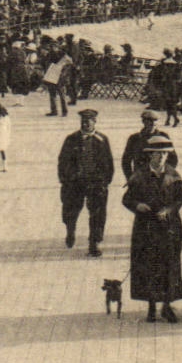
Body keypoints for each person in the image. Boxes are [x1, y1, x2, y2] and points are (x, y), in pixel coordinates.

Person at [124, 132, 182, 323]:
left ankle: (167, 306)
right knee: (148, 266)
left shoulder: (173, 175)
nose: (161, 158)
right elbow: (127, 199)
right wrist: (137, 206)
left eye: (165, 155)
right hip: (146, 228)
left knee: (169, 266)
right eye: (157, 154)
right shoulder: (139, 175)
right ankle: (151, 307)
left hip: (169, 227)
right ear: (150, 155)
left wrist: (168, 209)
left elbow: (180, 198)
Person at [57, 108, 115, 257]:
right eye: (83, 122)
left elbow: (108, 162)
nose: (86, 124)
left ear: (95, 122)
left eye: (89, 122)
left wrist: (105, 181)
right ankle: (70, 230)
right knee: (70, 211)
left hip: (95, 183)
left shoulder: (102, 140)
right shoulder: (71, 139)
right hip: (75, 183)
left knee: (97, 213)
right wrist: (66, 180)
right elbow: (63, 161)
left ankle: (94, 243)